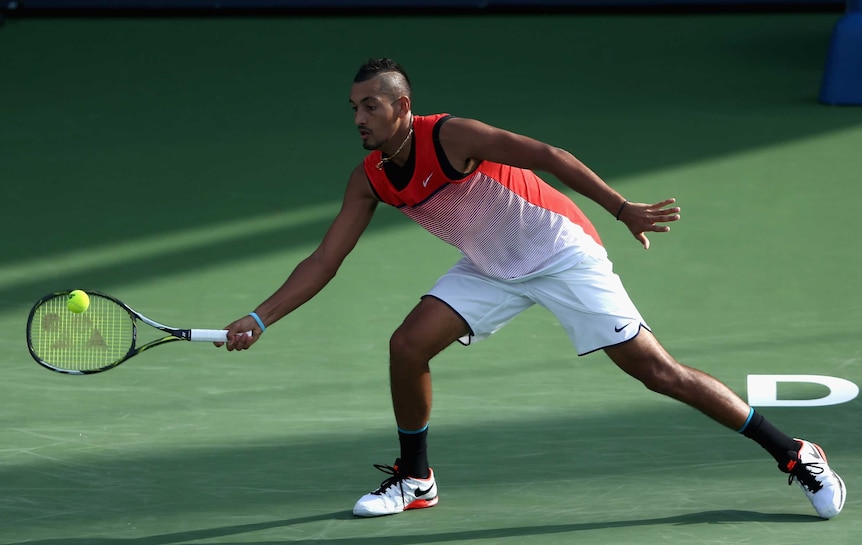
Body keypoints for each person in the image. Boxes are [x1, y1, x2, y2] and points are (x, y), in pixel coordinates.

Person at [217, 57, 845, 520]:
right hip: (489, 265)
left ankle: (794, 452)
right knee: (407, 347)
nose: (358, 118)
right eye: (353, 108)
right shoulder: (370, 178)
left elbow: (546, 153)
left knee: (658, 372)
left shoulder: (449, 135)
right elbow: (327, 258)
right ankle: (416, 479)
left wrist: (620, 207)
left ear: (402, 108)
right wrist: (260, 317)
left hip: (559, 250)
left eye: (369, 107)